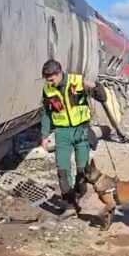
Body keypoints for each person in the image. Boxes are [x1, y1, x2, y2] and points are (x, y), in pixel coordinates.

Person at [40, 59, 108, 219]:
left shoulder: (77, 82)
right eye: (47, 80)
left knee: (82, 171)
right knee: (62, 170)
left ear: (59, 73)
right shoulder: (48, 89)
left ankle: (79, 192)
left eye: (51, 79)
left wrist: (95, 86)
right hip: (62, 133)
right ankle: (69, 206)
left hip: (81, 130)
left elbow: (102, 97)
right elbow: (46, 113)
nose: (50, 83)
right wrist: (43, 135)